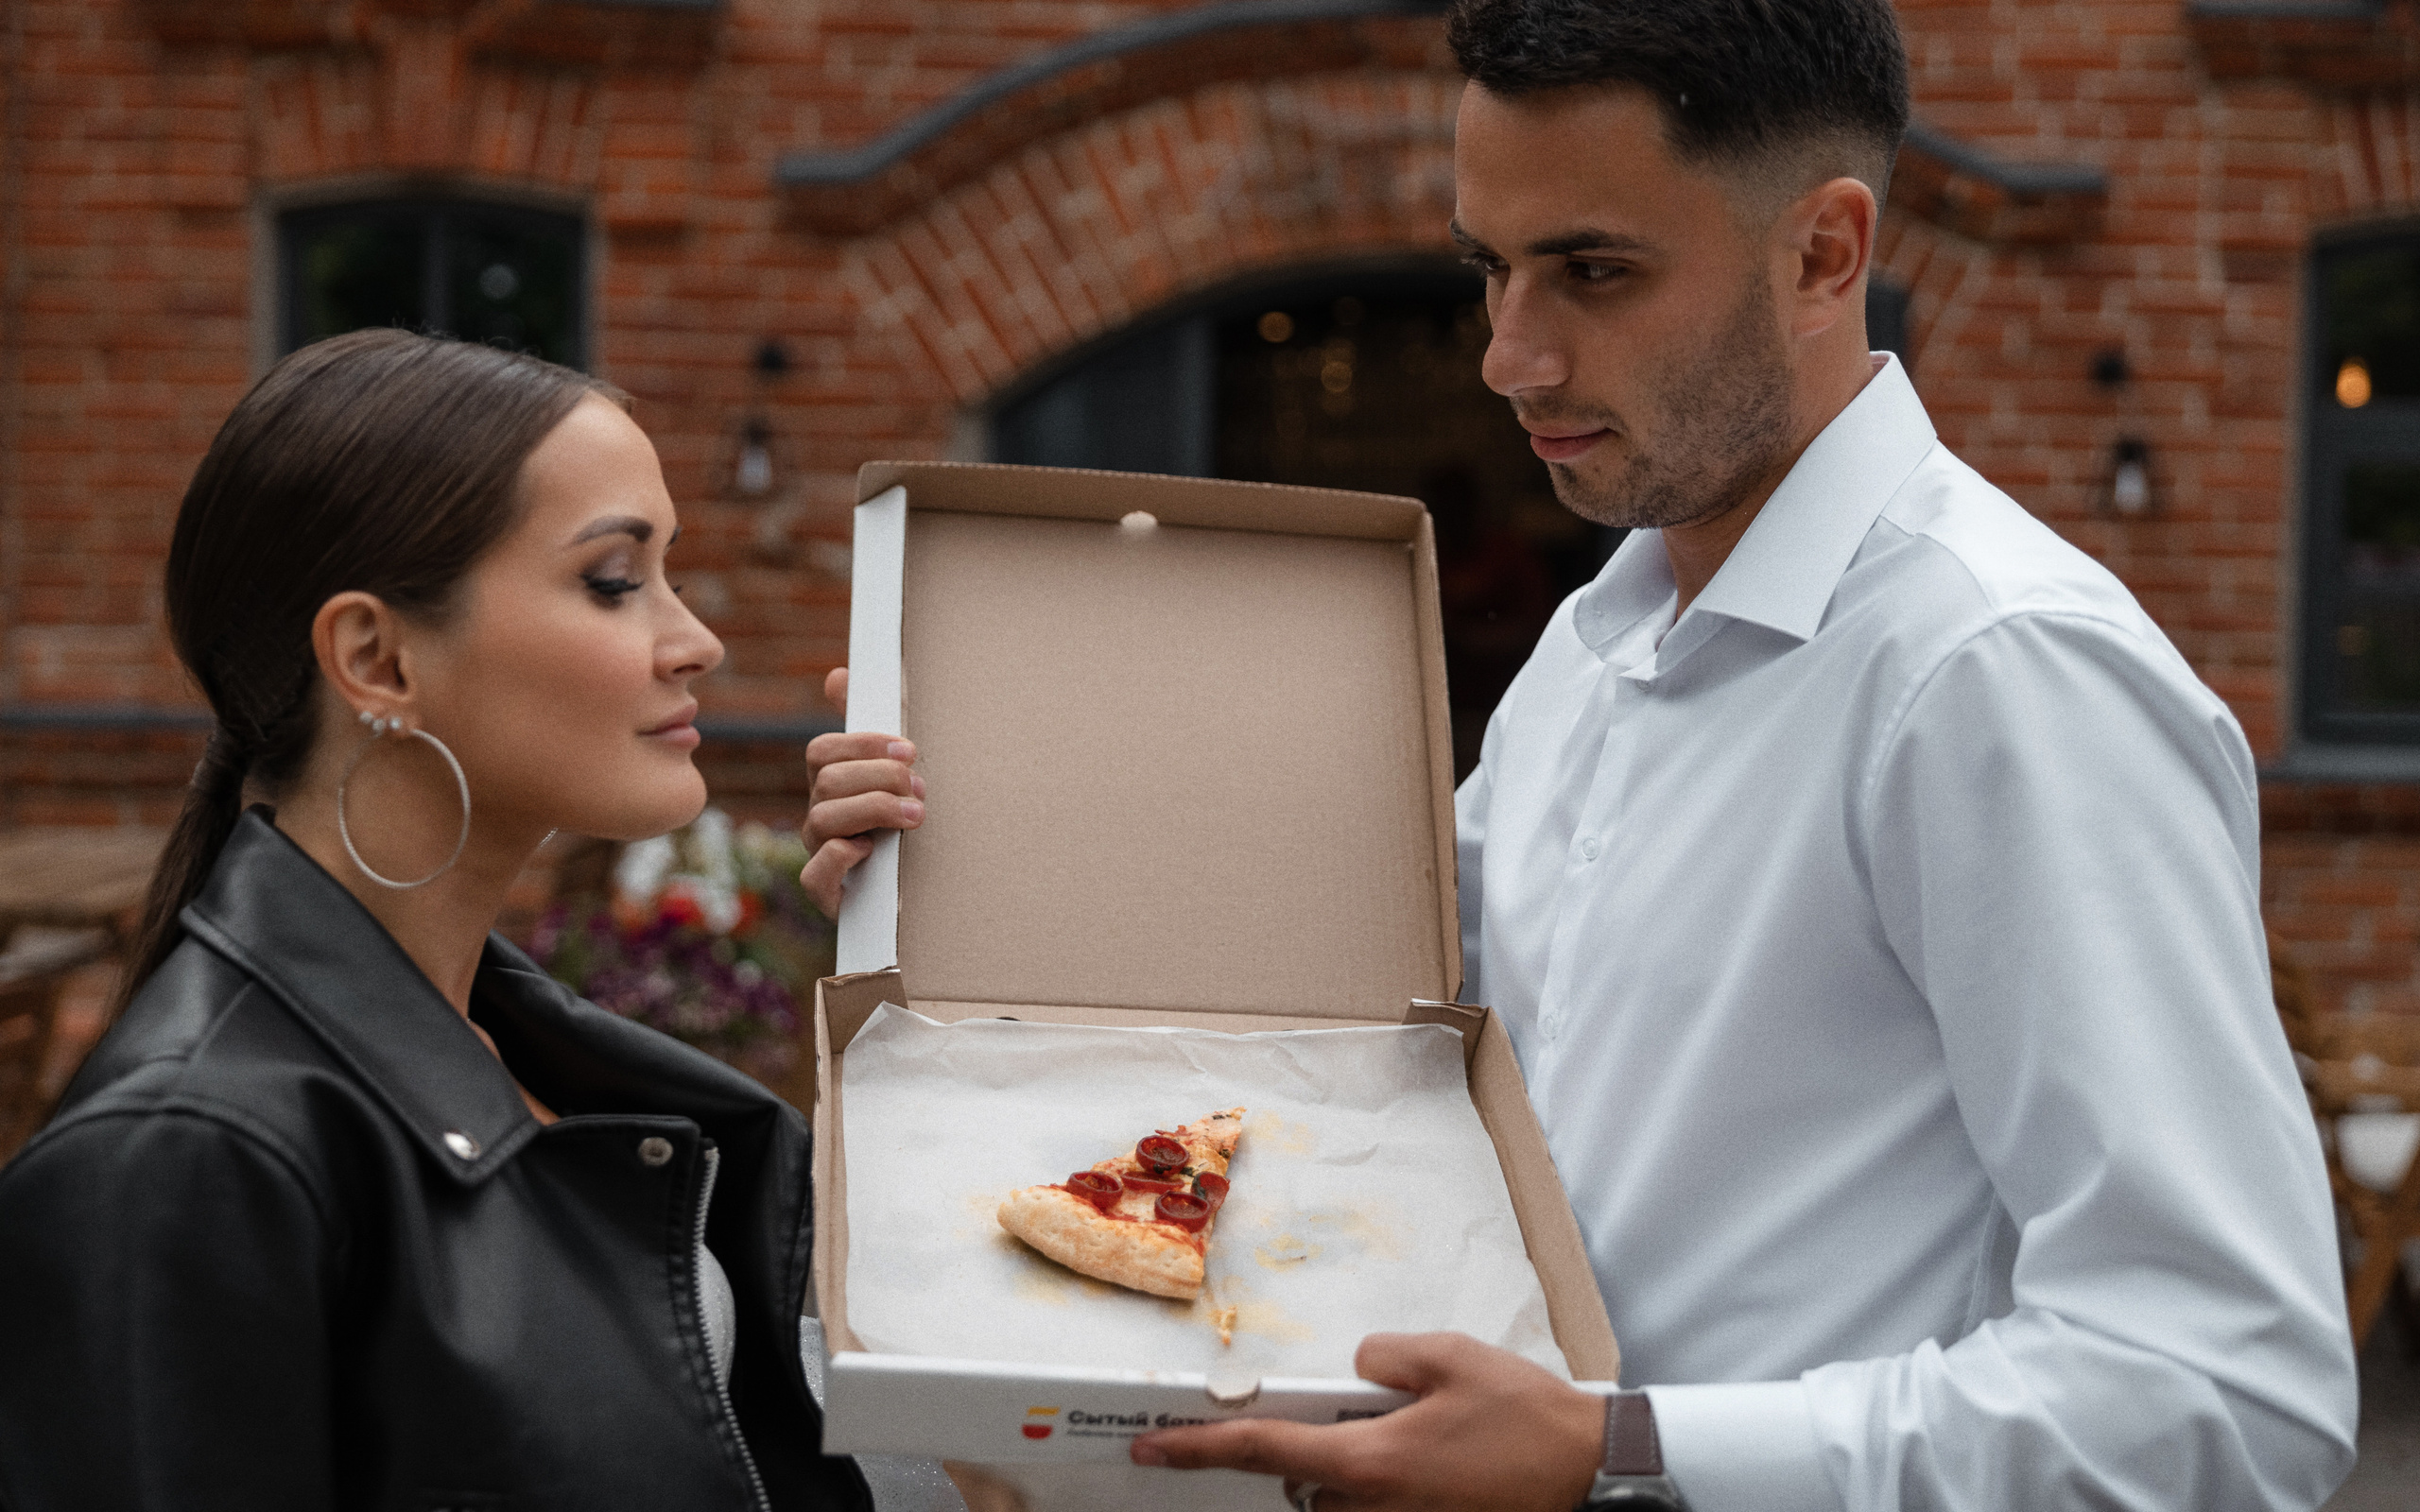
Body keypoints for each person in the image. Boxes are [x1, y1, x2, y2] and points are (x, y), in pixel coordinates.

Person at [804, 2, 2365, 1509]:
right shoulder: (1598, 642)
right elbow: (1357, 1002)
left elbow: (2226, 1391)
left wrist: (1615, 1455)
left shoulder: (2003, 674)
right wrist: (955, 865)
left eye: (1593, 272)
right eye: (1492, 269)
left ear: (1824, 255)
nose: (1510, 357)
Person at [0, 330, 873, 1510]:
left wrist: (904, 962)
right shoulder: (183, 1162)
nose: (695, 641)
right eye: (614, 579)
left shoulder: (526, 1050)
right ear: (377, 658)